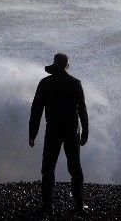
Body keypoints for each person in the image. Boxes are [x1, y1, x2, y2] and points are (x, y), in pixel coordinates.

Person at [29, 53, 88, 215]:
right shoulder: (75, 83)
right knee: (75, 168)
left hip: (53, 130)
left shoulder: (45, 83)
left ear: (55, 64)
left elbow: (36, 110)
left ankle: (48, 206)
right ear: (67, 66)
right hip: (71, 130)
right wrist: (85, 133)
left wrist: (32, 133)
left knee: (48, 168)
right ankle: (78, 205)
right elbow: (82, 110)